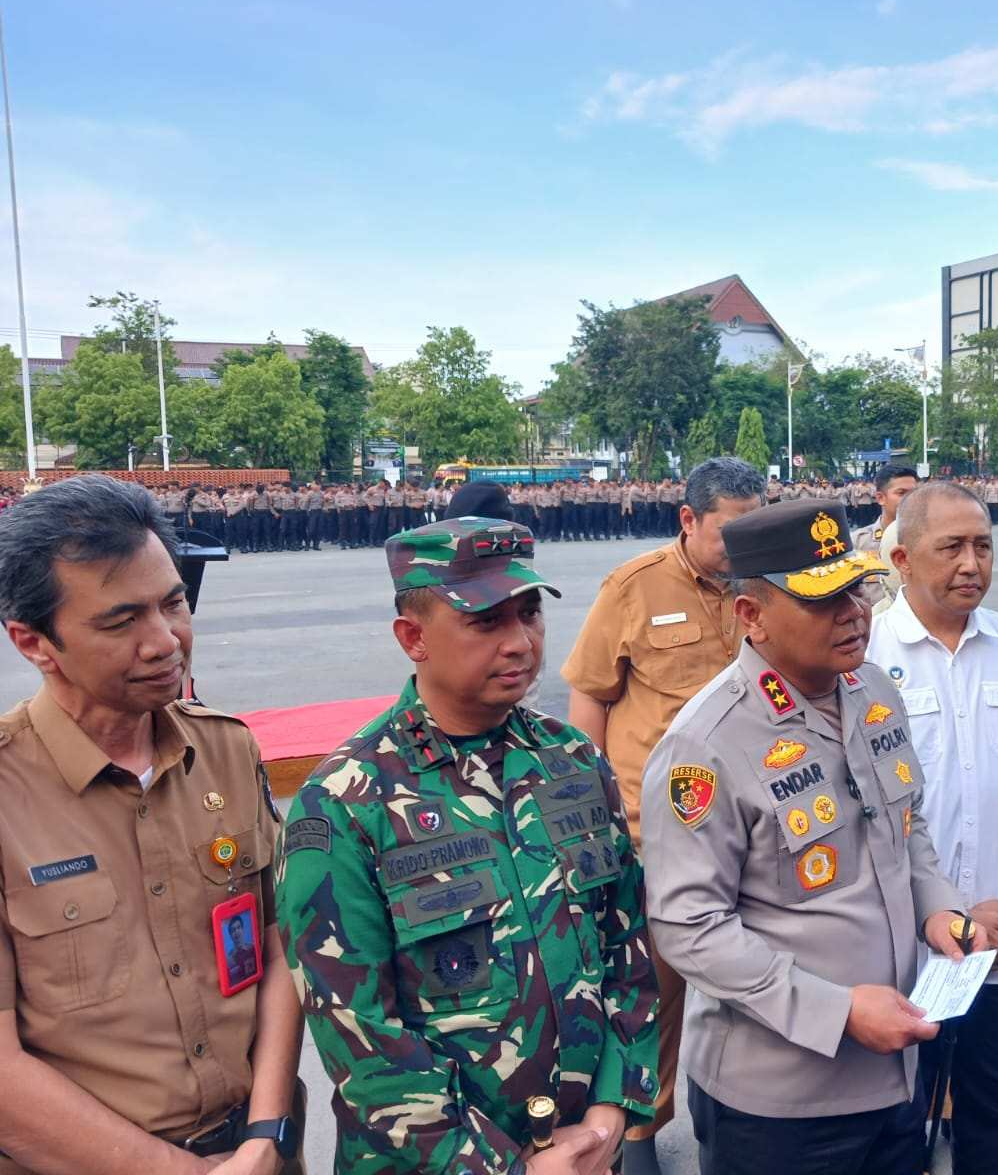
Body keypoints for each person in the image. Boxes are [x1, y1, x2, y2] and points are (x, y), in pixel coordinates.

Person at [276, 516, 659, 1174]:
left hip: (586, 1152)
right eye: (486, 622)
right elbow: (362, 1040)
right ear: (413, 637)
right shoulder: (345, 802)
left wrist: (610, 1113)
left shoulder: (571, 758)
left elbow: (626, 942)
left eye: (530, 613)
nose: (521, 643)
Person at [640, 499, 990, 1175]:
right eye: (824, 598)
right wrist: (835, 1011)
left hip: (896, 1074)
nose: (854, 610)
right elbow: (688, 926)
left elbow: (906, 834)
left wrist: (939, 909)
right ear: (752, 616)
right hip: (781, 1106)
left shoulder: (873, 691)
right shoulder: (705, 745)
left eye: (857, 587)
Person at [0, 474, 305, 1174]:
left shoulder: (226, 748)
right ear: (34, 643)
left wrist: (265, 1132)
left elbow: (279, 940)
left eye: (174, 603)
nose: (165, 640)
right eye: (121, 620)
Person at [867, 483, 998, 1174]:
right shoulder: (861, 654)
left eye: (983, 545)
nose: (971, 564)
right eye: (951, 547)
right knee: (896, 1126)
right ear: (901, 557)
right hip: (901, 948)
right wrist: (948, 914)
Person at [561, 457, 765, 1175]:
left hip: (754, 830)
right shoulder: (634, 588)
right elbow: (590, 699)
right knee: (653, 991)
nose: (742, 549)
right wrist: (589, 813)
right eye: (728, 533)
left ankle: (732, 1112)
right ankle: (642, 1130)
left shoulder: (765, 583)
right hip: (653, 834)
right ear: (688, 520)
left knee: (756, 978)